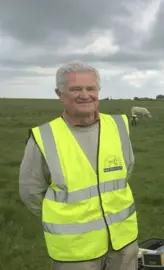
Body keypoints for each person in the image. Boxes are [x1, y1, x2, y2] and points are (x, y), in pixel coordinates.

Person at [18, 60, 139, 270]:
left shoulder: (119, 125)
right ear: (60, 94)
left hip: (123, 243)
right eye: (75, 89)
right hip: (76, 252)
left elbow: (126, 171)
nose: (85, 95)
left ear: (98, 90)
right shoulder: (44, 137)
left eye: (91, 88)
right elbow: (31, 192)